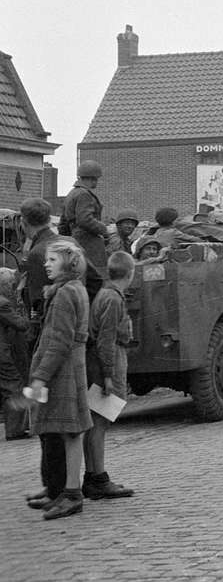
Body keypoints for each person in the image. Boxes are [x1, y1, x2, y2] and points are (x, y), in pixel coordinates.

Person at [25, 238, 93, 520]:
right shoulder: (71, 289)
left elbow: (59, 342)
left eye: (52, 260)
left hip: (63, 371)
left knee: (70, 431)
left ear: (68, 262)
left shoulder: (65, 294)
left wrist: (40, 377)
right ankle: (66, 491)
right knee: (69, 429)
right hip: (67, 368)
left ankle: (72, 494)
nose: (46, 264)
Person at [82, 251, 135, 499]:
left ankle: (92, 476)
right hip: (110, 358)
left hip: (102, 360)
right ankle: (99, 478)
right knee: (100, 423)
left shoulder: (106, 294)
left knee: (94, 422)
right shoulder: (113, 299)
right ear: (130, 273)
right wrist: (108, 375)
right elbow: (105, 340)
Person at [60, 161, 108, 300]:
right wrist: (103, 229)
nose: (96, 182)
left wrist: (68, 242)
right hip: (89, 242)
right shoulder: (84, 194)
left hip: (75, 240)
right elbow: (85, 219)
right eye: (95, 179)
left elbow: (63, 224)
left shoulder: (71, 194)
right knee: (96, 279)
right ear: (91, 178)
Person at [0, 267, 30, 440]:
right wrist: (19, 298)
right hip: (3, 354)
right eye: (11, 284)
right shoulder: (3, 303)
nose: (12, 287)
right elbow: (21, 324)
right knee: (14, 387)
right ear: (4, 285)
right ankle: (15, 430)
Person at [20, 197, 58, 320]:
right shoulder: (71, 242)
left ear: (23, 222)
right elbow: (95, 281)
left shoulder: (36, 253)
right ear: (48, 220)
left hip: (51, 324)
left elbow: (37, 303)